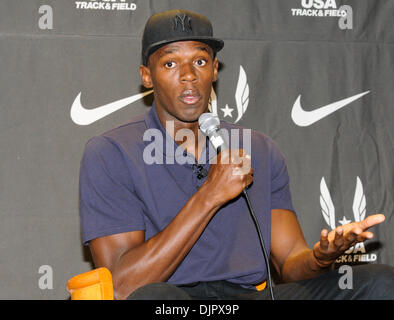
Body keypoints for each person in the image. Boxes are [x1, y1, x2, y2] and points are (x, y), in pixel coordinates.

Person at [79, 9, 394, 300]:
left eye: (200, 61)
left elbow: (289, 263)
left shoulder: (259, 148)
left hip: (247, 297)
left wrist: (319, 258)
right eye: (170, 63)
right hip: (172, 300)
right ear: (147, 76)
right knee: (152, 298)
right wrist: (210, 195)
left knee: (379, 284)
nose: (188, 74)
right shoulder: (112, 152)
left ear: (215, 69)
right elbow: (123, 285)